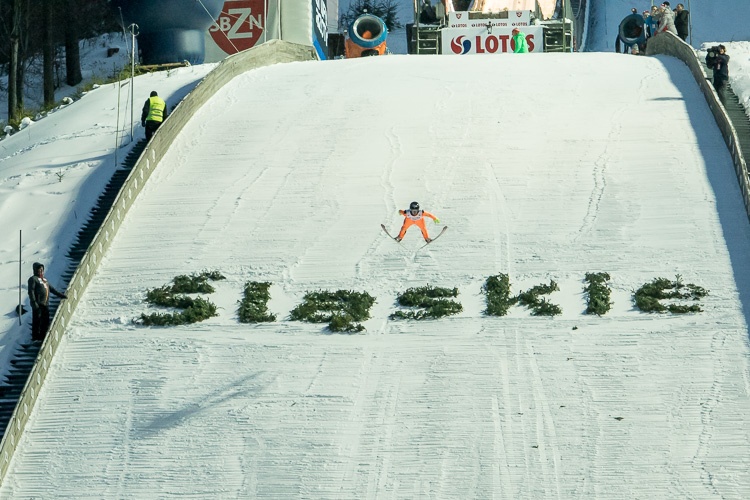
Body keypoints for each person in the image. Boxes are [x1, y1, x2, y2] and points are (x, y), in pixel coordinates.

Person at [28, 262, 67, 342]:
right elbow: (31, 291)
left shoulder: (44, 280)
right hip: (38, 303)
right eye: (39, 270)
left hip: (45, 304)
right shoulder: (33, 279)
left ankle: (43, 335)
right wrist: (34, 302)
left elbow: (51, 289)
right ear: (35, 270)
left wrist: (61, 295)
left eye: (42, 270)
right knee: (37, 320)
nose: (41, 272)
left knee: (45, 320)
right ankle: (36, 337)